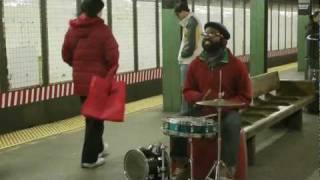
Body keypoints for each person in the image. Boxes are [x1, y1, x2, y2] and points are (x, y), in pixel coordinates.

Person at [181, 22, 252, 180]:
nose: (207, 37)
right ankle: (182, 164)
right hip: (201, 109)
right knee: (180, 121)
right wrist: (199, 98)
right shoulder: (196, 64)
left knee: (232, 123)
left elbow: (246, 96)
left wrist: (227, 104)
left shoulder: (236, 65)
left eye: (212, 34)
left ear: (223, 40)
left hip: (227, 112)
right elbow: (187, 90)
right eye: (205, 34)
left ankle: (227, 170)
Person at [62, 0, 119, 168]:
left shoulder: (73, 29)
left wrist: (79, 67)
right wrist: (109, 75)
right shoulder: (103, 31)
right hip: (98, 82)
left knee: (92, 117)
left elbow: (65, 54)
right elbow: (113, 58)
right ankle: (89, 159)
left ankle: (98, 148)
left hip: (81, 82)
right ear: (99, 11)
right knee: (95, 121)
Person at [175, 0, 203, 115]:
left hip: (188, 61)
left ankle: (185, 111)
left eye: (178, 14)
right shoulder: (192, 20)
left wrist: (182, 55)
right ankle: (189, 110)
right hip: (192, 60)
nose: (178, 17)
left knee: (186, 87)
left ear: (183, 12)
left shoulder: (191, 22)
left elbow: (190, 44)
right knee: (191, 87)